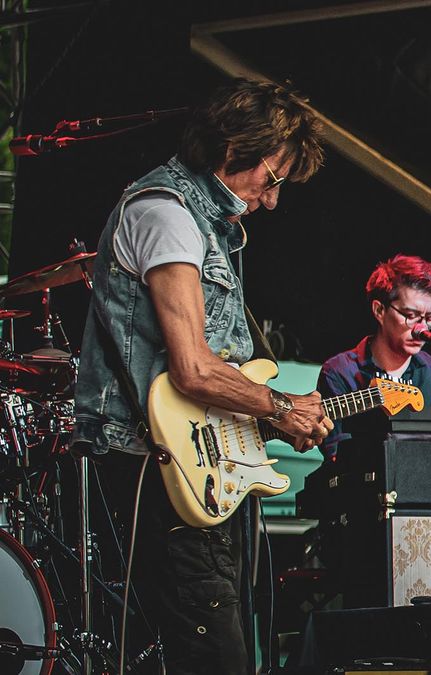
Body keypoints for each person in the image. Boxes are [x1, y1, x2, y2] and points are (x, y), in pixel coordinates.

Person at [72, 79, 330, 672]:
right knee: (214, 656)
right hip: (154, 470)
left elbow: (216, 373)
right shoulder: (165, 212)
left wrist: (269, 413)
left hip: (201, 473)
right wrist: (280, 406)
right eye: (274, 178)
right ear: (238, 145)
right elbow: (191, 369)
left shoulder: (211, 226)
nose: (272, 200)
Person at [317, 253, 431, 460]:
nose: (422, 328)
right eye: (410, 316)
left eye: (429, 318)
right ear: (379, 310)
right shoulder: (339, 372)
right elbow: (336, 456)